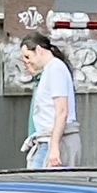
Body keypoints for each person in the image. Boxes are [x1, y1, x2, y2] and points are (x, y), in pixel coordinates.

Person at [18, 32, 79, 169]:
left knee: (38, 186)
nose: (27, 62)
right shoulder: (51, 69)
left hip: (51, 141)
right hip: (48, 140)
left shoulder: (55, 69)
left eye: (28, 57)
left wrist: (54, 147)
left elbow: (62, 110)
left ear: (39, 50)